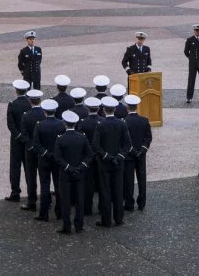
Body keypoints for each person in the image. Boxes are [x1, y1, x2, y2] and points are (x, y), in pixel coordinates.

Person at [93, 97, 131, 227]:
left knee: (105, 191)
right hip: (118, 162)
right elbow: (127, 144)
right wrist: (119, 156)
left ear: (103, 110)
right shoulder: (122, 123)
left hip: (104, 162)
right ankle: (119, 218)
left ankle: (106, 220)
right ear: (115, 109)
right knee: (118, 191)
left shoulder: (100, 124)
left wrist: (107, 156)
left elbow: (96, 145)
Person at [54, 110, 93, 234]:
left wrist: (68, 168)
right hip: (80, 173)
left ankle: (67, 226)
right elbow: (89, 155)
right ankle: (79, 225)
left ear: (65, 123)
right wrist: (81, 166)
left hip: (66, 174)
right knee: (79, 200)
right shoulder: (82, 138)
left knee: (66, 201)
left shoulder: (60, 139)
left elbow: (58, 157)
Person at [122, 94, 152, 210]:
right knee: (142, 179)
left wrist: (132, 150)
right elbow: (148, 138)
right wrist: (142, 150)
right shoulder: (144, 120)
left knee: (129, 180)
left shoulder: (123, 121)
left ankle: (129, 203)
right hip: (141, 154)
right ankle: (142, 202)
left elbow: (124, 140)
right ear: (137, 107)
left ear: (127, 108)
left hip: (129, 155)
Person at [5, 80, 31, 202]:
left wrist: (18, 135)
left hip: (16, 141)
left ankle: (15, 192)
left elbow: (10, 124)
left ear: (16, 91)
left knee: (15, 167)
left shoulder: (12, 104)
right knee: (29, 167)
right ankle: (31, 192)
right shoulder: (30, 103)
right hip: (28, 140)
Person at [185, 24, 199, 104]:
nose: (197, 32)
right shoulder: (190, 39)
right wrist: (191, 58)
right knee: (191, 80)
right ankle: (189, 97)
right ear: (194, 31)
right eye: (196, 30)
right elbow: (186, 51)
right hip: (193, 63)